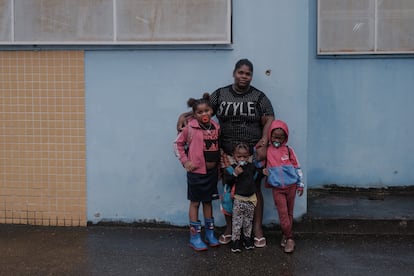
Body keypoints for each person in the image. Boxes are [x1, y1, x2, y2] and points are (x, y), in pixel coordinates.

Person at [177, 59, 275, 248]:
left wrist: (264, 142)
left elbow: (269, 116)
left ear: (251, 76)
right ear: (234, 73)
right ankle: (230, 229)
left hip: (251, 152)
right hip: (226, 152)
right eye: (241, 72)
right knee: (229, 192)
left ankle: (256, 229)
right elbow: (202, 109)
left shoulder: (259, 96)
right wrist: (184, 116)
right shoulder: (220, 94)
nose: (244, 77)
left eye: (248, 74)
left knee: (254, 188)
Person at [173, 93, 221, 251]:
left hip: (212, 173)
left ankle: (210, 234)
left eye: (206, 110)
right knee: (195, 203)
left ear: (211, 111)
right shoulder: (189, 128)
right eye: (199, 112)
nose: (204, 114)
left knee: (208, 202)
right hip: (196, 173)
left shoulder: (216, 126)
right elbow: (177, 144)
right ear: (194, 114)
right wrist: (185, 161)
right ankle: (194, 237)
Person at [262, 119, 304, 253]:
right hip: (277, 188)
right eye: (275, 137)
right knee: (283, 213)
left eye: (280, 137)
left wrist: (300, 184)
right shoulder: (267, 150)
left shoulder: (288, 150)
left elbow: (297, 166)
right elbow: (258, 161)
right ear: (270, 136)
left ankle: (285, 235)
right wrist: (263, 170)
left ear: (285, 138)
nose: (277, 140)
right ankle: (290, 238)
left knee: (289, 213)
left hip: (291, 186)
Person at [222, 143, 259, 253]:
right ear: (234, 156)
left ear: (248, 156)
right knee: (237, 222)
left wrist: (264, 172)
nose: (242, 159)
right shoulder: (231, 169)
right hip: (238, 199)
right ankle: (236, 242)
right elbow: (227, 181)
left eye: (245, 156)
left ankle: (247, 240)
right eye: (239, 156)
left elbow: (257, 176)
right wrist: (235, 174)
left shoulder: (251, 167)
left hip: (250, 199)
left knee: (248, 221)